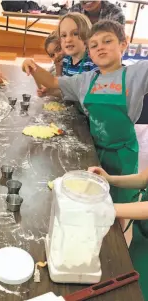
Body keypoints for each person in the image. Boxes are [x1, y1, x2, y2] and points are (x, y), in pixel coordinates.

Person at [22, 20, 148, 204]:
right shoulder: (85, 80)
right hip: (92, 147)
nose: (100, 48)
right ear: (89, 52)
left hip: (122, 154)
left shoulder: (136, 74)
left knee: (118, 202)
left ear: (123, 44)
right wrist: (32, 65)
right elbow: (52, 83)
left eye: (108, 41)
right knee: (92, 198)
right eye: (94, 45)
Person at [88, 166, 148, 300]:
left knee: (138, 293)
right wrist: (109, 178)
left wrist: (106, 208)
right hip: (142, 238)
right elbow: (144, 178)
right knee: (129, 284)